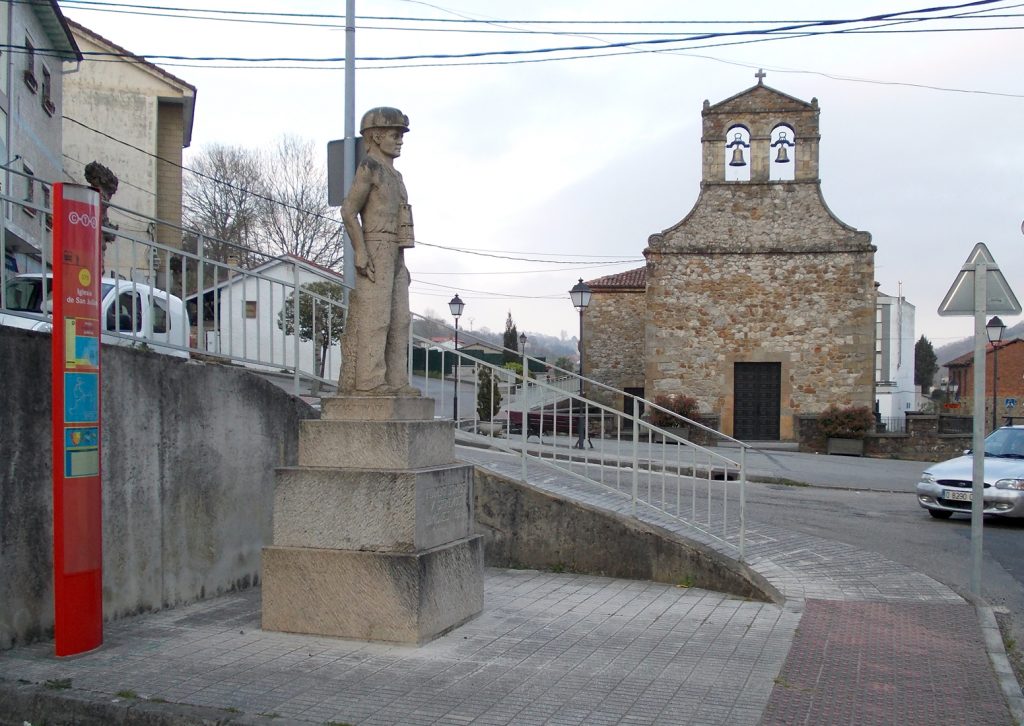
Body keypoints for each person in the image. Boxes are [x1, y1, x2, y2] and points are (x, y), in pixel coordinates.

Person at [338, 107, 418, 396]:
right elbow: (348, 211)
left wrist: (402, 262)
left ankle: (396, 380)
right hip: (376, 245)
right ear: (376, 136)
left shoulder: (395, 175)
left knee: (400, 318)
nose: (400, 141)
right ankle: (370, 381)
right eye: (395, 135)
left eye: (400, 136)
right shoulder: (369, 168)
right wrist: (360, 250)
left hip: (396, 250)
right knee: (377, 315)